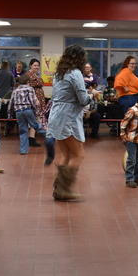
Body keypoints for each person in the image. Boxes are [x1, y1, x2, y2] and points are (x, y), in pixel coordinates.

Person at [47, 45, 91, 201]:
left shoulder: (59, 74)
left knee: (66, 154)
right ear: (79, 59)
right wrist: (92, 96)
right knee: (79, 154)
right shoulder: (75, 73)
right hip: (68, 116)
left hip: (56, 114)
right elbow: (83, 99)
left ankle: (58, 189)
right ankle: (64, 189)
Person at [9, 74, 45, 153]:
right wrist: (36, 111)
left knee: (23, 131)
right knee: (36, 125)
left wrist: (10, 115)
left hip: (18, 112)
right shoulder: (30, 89)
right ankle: (49, 135)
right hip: (28, 110)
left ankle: (23, 150)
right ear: (28, 81)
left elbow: (11, 104)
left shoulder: (15, 90)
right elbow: (33, 101)